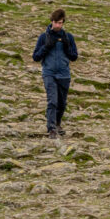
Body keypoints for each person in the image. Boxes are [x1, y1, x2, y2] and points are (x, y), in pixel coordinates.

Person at [32, 8, 78, 139]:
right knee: (52, 101)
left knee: (62, 103)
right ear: (51, 21)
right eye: (56, 22)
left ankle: (58, 123)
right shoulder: (43, 37)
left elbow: (74, 57)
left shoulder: (68, 37)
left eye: (60, 23)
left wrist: (66, 46)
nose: (58, 25)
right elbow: (35, 57)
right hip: (49, 73)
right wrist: (46, 46)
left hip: (64, 74)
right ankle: (51, 128)